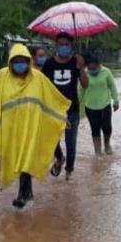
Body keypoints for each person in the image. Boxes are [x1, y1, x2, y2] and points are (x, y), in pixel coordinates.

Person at [0, 44, 71, 208]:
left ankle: (22, 196)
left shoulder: (38, 77)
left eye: (23, 61)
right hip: (11, 128)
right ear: (10, 62)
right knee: (17, 159)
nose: (20, 65)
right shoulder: (2, 76)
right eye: (16, 61)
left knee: (25, 159)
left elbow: (52, 100)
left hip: (31, 126)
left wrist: (63, 119)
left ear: (29, 62)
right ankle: (28, 194)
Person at [41, 32, 89, 181]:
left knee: (71, 142)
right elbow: (42, 85)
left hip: (72, 109)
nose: (64, 47)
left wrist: (81, 68)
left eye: (66, 45)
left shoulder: (76, 63)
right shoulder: (49, 64)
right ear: (56, 46)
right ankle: (59, 158)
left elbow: (85, 84)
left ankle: (69, 173)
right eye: (61, 44)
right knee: (52, 140)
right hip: (53, 109)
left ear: (71, 46)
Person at [80, 53, 119, 156]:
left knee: (107, 127)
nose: (92, 69)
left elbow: (112, 87)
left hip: (105, 104)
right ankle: (97, 150)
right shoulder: (84, 74)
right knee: (95, 128)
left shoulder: (106, 72)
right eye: (89, 66)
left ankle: (107, 144)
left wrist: (116, 101)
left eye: (94, 66)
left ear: (98, 64)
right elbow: (80, 90)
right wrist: (76, 104)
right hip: (90, 106)